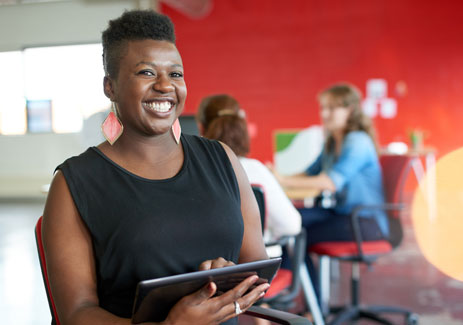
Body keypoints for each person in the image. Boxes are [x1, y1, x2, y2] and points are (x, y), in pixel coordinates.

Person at [41, 10, 269, 325]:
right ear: (111, 86)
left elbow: (256, 264)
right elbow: (77, 314)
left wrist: (227, 279)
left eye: (175, 74)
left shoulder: (222, 159)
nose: (165, 86)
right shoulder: (74, 183)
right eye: (147, 73)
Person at [274, 83, 386, 291]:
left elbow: (330, 182)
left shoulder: (357, 141)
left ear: (350, 110)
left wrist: (282, 180)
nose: (324, 114)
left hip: (364, 222)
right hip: (342, 214)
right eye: (323, 108)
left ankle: (310, 308)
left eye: (332, 108)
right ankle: (296, 299)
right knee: (286, 222)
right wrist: (276, 177)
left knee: (295, 236)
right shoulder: (332, 142)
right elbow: (309, 173)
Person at [196, 94, 302, 246]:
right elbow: (291, 226)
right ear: (241, 126)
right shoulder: (255, 170)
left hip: (210, 267)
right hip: (259, 264)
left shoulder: (193, 172)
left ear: (201, 127)